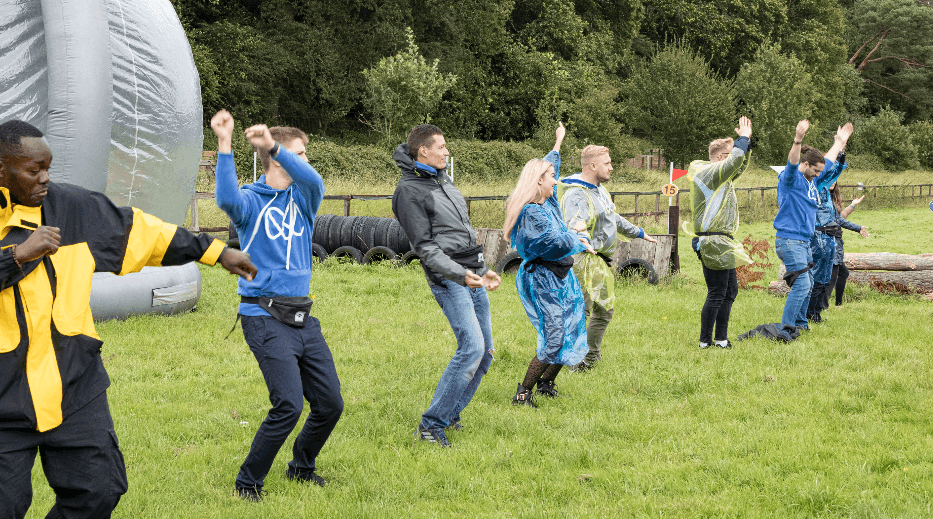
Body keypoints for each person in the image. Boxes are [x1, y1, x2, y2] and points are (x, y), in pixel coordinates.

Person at [0, 119, 257, 519]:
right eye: (34, 170)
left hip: (75, 387)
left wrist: (216, 252)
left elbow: (141, 233)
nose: (45, 178)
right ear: (2, 169)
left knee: (99, 491)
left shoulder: (73, 208)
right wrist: (17, 256)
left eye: (48, 167)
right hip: (5, 397)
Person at [211, 110, 343, 501]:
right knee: (287, 404)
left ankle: (301, 466)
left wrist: (274, 147)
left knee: (330, 404)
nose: (305, 161)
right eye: (299, 154)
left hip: (301, 315)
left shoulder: (304, 199)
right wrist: (224, 143)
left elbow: (314, 180)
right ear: (276, 159)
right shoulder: (251, 202)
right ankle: (247, 482)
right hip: (263, 315)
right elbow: (225, 198)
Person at [392, 123, 501, 448]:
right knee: (471, 349)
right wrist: (459, 274)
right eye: (441, 146)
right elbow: (425, 248)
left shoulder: (443, 179)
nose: (446, 151)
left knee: (485, 353)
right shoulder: (408, 191)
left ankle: (450, 414)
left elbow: (459, 233)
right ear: (423, 150)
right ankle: (430, 426)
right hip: (448, 278)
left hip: (472, 273)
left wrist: (482, 269)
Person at [503, 123, 595, 408]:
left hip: (561, 276)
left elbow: (549, 163)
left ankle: (546, 384)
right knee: (555, 336)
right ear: (538, 182)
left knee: (572, 330)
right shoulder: (533, 212)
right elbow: (554, 242)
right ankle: (522, 394)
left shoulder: (548, 202)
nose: (556, 182)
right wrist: (578, 235)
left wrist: (558, 141)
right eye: (551, 178)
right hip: (543, 278)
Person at [557, 145, 657, 371]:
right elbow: (575, 222)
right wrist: (582, 238)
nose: (611, 167)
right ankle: (574, 362)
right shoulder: (576, 194)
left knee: (604, 310)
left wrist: (638, 232)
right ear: (593, 165)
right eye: (607, 163)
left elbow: (613, 217)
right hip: (581, 259)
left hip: (599, 260)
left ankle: (591, 356)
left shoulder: (599, 190)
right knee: (580, 311)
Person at [773, 120, 852, 337]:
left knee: (809, 283)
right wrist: (798, 140)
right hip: (790, 240)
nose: (819, 174)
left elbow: (828, 162)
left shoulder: (811, 181)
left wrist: (839, 143)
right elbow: (792, 162)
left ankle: (801, 324)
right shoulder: (791, 179)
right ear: (806, 164)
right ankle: (787, 329)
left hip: (804, 241)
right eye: (815, 171)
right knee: (801, 284)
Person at [683, 116, 754, 349]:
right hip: (712, 240)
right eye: (731, 153)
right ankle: (705, 341)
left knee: (730, 290)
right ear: (722, 157)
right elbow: (735, 161)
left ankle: (721, 339)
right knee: (717, 292)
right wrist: (743, 139)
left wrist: (747, 143)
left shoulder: (720, 176)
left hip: (722, 240)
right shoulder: (708, 174)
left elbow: (739, 164)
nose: (734, 157)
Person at [827, 187, 869, 308]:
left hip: (834, 241)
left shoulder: (831, 197)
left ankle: (834, 304)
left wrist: (852, 205)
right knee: (834, 274)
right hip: (829, 241)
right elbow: (838, 219)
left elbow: (840, 217)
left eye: (834, 179)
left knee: (840, 273)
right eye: (830, 179)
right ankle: (824, 305)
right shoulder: (823, 197)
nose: (833, 181)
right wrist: (857, 228)